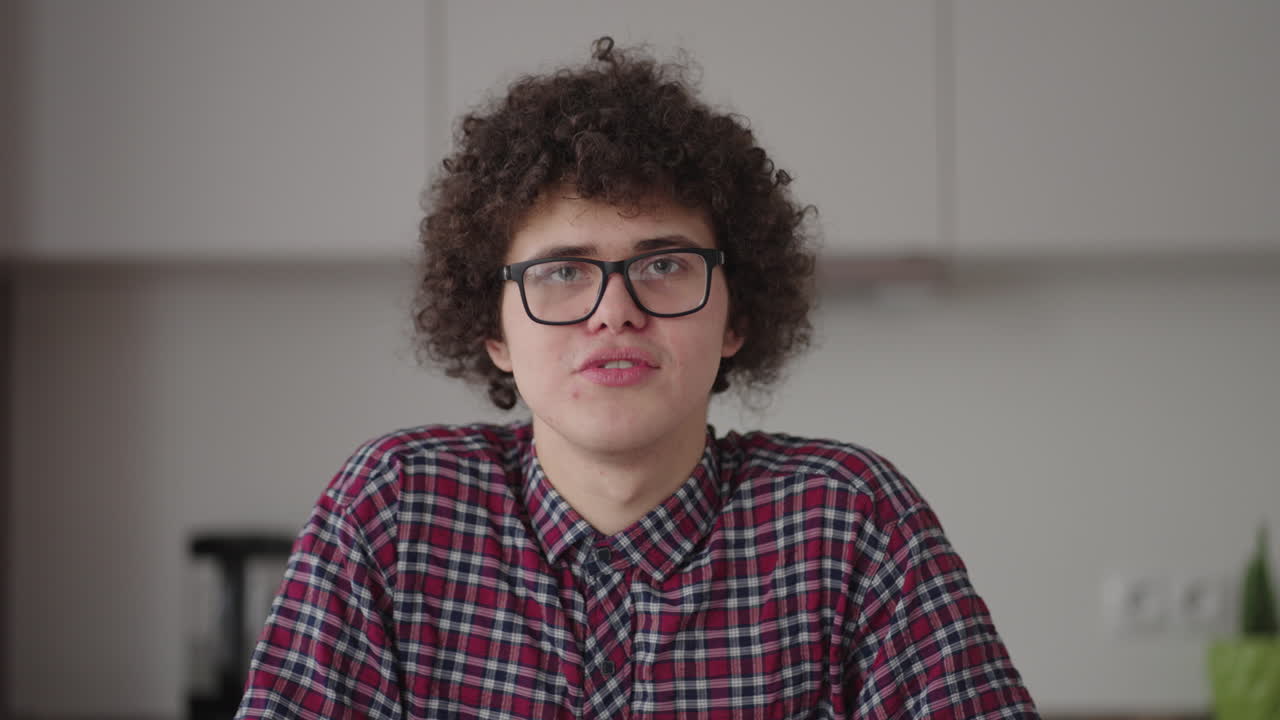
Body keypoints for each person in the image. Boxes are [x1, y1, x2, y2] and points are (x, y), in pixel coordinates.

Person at [236, 37, 1039, 719]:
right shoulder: (393, 511)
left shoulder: (851, 520)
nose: (614, 312)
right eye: (561, 272)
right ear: (493, 330)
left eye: (663, 265)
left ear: (736, 317)